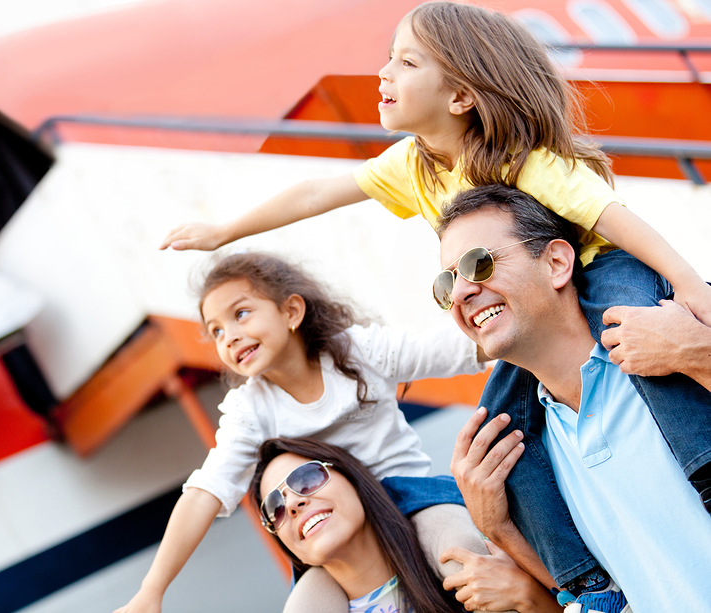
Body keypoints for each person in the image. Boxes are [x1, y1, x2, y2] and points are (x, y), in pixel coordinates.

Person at [159, 4, 711, 604]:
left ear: (460, 97)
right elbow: (319, 189)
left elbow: (612, 216)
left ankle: (703, 469)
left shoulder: (521, 160)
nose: (383, 73)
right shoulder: (412, 167)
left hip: (599, 266)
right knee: (500, 437)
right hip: (535, 295)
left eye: (406, 61)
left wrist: (686, 283)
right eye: (388, 58)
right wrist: (225, 231)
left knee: (651, 348)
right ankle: (587, 585)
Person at [114, 252, 488, 613]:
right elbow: (204, 493)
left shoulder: (358, 353)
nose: (228, 336)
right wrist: (152, 591)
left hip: (411, 503)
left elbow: (452, 350)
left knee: (463, 556)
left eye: (241, 314)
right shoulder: (251, 410)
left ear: (291, 311)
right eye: (216, 331)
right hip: (327, 532)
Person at [438, 184, 711, 612]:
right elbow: (596, 598)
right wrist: (498, 526)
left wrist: (701, 355)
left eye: (479, 263)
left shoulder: (683, 327)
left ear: (557, 262)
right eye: (445, 284)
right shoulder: (525, 459)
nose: (459, 294)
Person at [250, 437, 560, 613]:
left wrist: (527, 594)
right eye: (274, 508)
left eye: (306, 479)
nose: (292, 504)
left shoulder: (485, 547)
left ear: (355, 480)